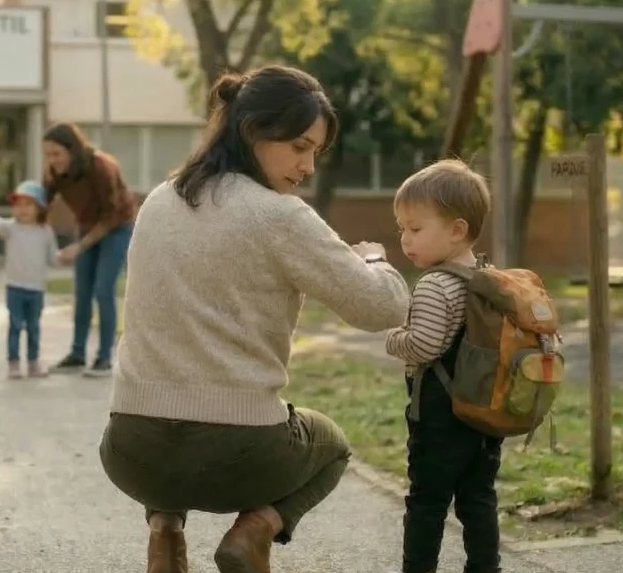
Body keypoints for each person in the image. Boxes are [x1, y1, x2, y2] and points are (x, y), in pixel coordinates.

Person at [98, 65, 411, 573]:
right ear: (253, 131)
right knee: (331, 445)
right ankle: (255, 530)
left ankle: (164, 535)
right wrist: (373, 259)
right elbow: (383, 307)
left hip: (132, 451)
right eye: (300, 146)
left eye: (315, 152)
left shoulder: (159, 199)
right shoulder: (279, 215)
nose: (308, 166)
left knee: (171, 394)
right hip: (239, 453)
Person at [383, 160, 500, 573]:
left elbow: (424, 344)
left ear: (457, 230)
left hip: (442, 419)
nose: (405, 239)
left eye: (416, 229)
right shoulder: (485, 277)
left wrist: (392, 337)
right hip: (484, 414)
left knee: (427, 502)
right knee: (478, 497)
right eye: (402, 229)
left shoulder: (435, 283)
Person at [41, 122, 138, 377]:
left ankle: (105, 357)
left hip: (117, 226)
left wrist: (79, 247)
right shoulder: (54, 172)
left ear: (72, 150)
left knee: (103, 290)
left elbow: (110, 214)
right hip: (87, 225)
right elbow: (42, 204)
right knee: (82, 292)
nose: (52, 160)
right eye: (47, 155)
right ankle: (77, 354)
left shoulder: (101, 166)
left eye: (56, 154)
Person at [0, 180, 60, 379]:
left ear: (39, 208)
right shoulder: (11, 228)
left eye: (28, 205)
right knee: (15, 325)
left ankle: (33, 361)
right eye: (18, 205)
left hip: (36, 289)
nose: (22, 210)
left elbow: (53, 258)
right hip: (15, 287)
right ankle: (13, 362)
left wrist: (64, 257)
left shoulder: (45, 232)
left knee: (34, 327)